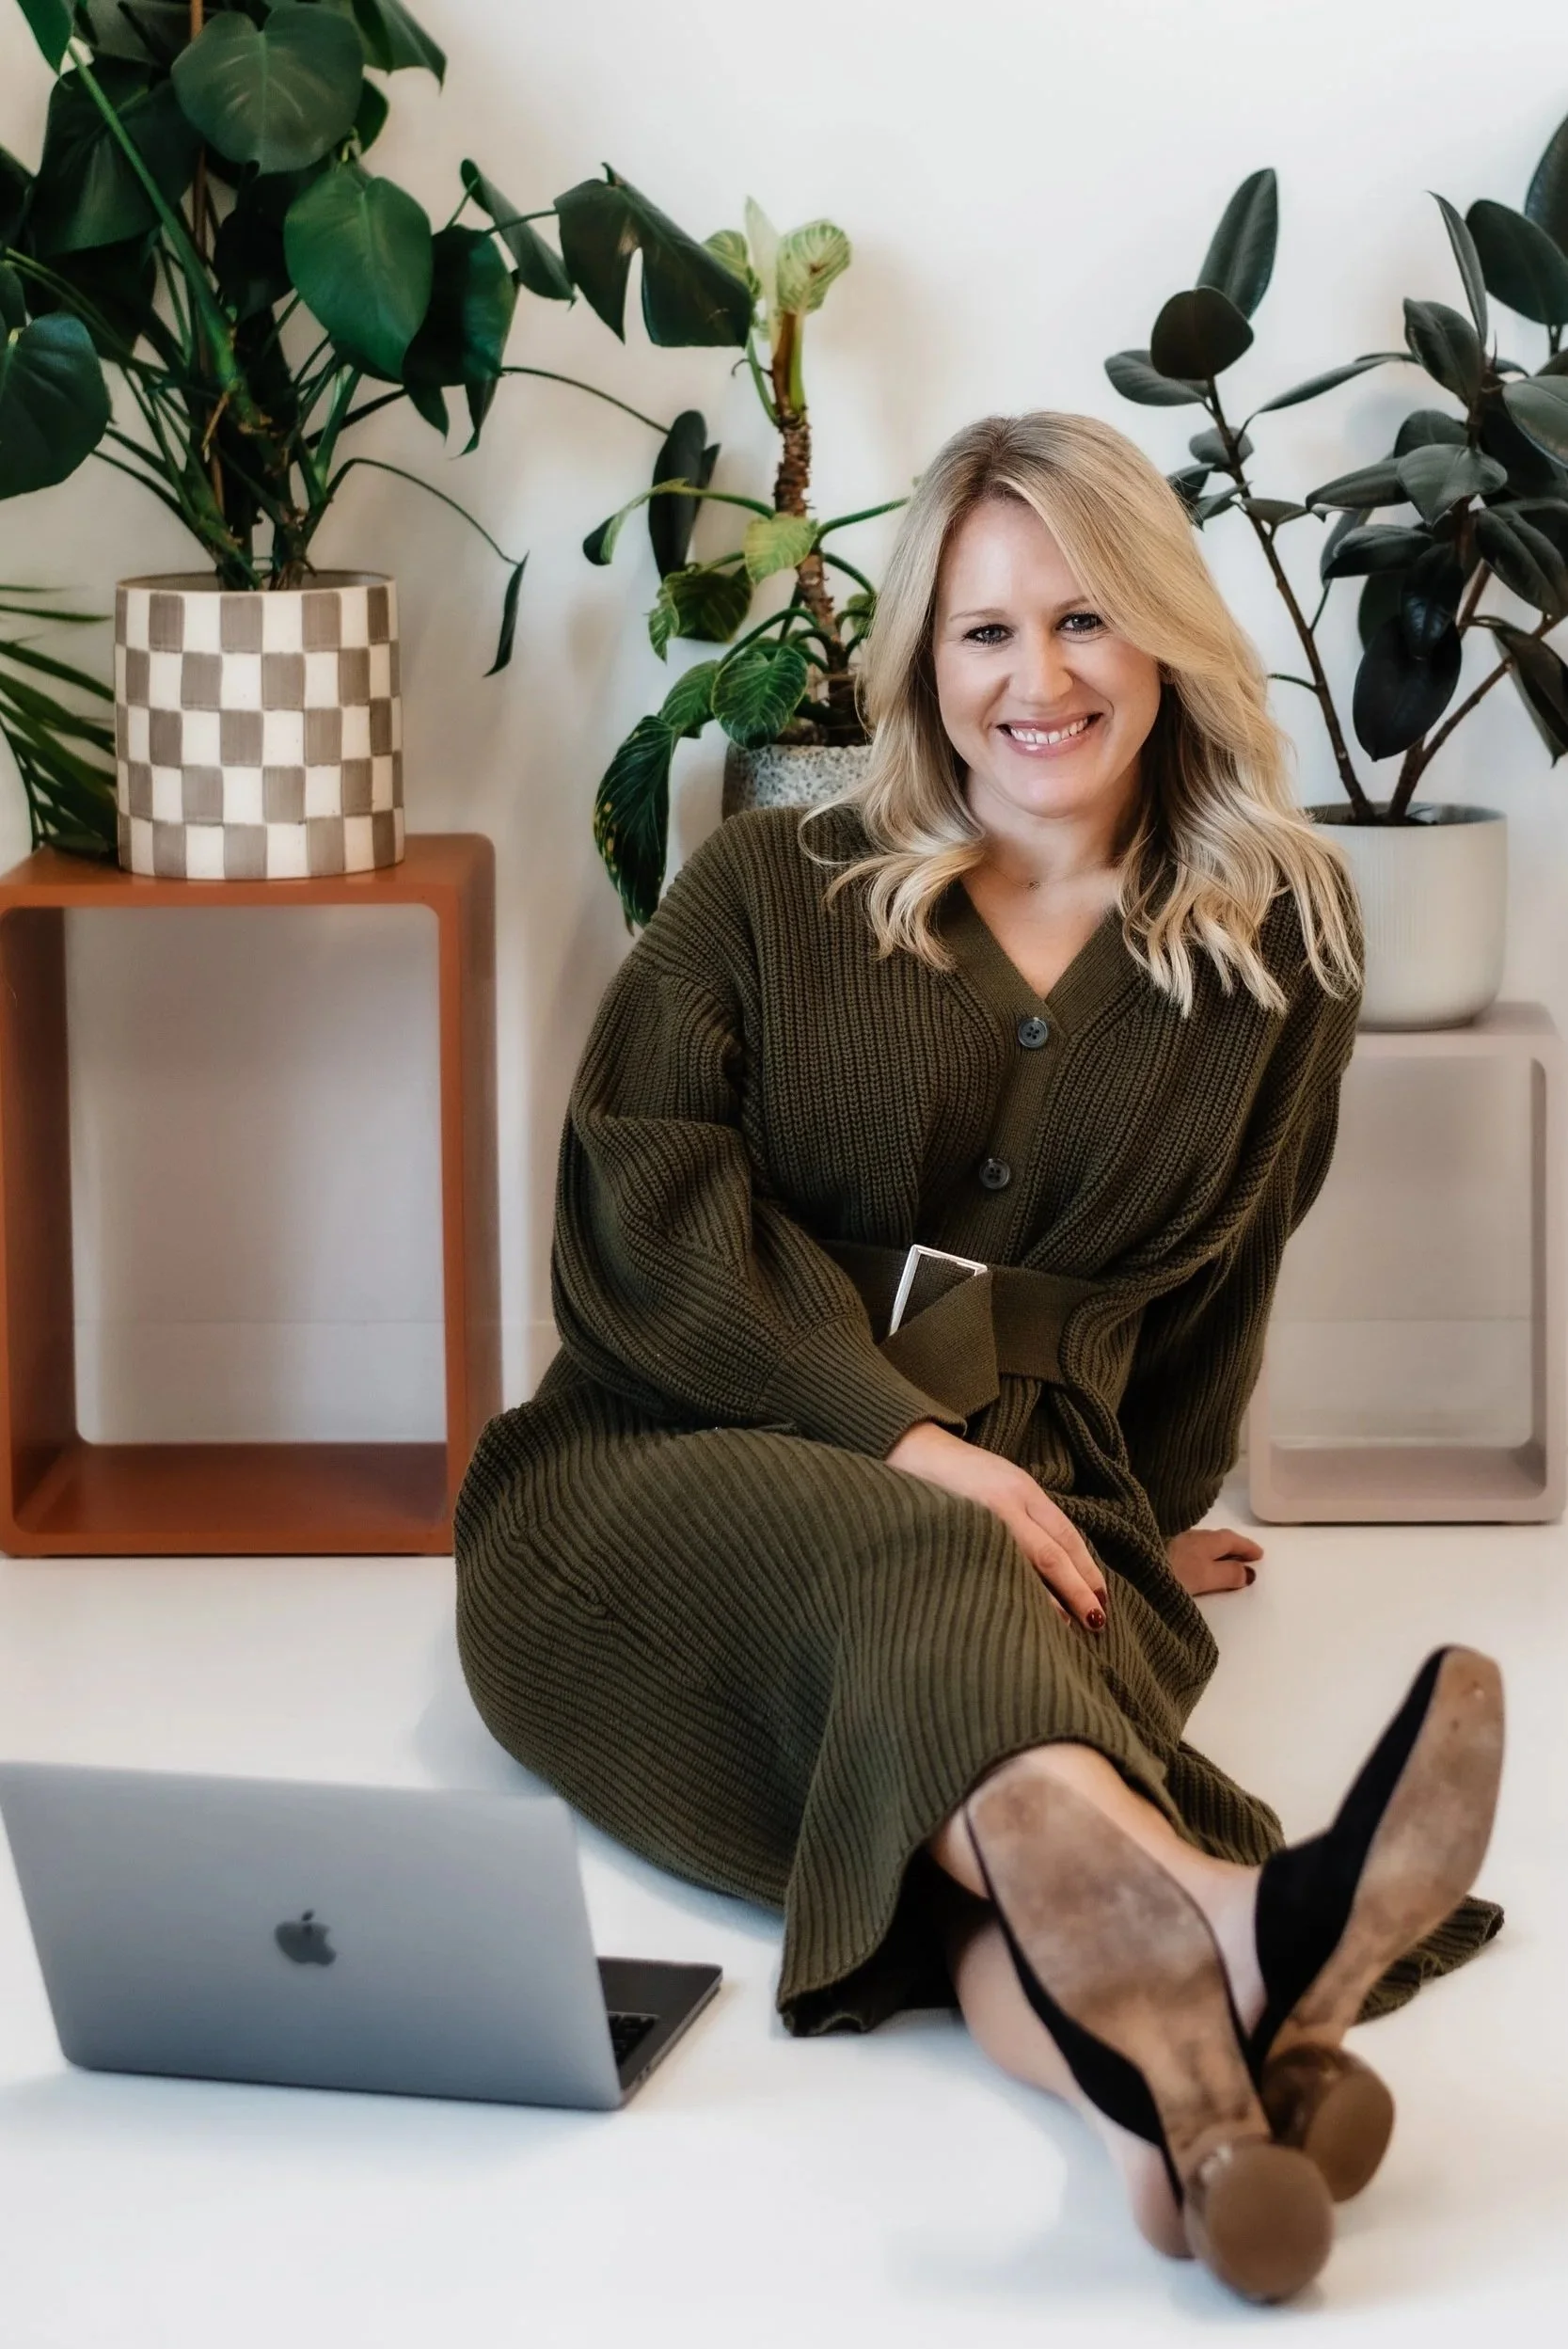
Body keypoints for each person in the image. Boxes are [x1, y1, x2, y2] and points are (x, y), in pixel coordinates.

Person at [454, 412, 1504, 2303]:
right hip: (648, 1473)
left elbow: (1216, 1286)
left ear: (1165, 641)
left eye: (1085, 621)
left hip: (1039, 1512)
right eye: (983, 632)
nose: (1038, 680)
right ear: (921, 666)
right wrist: (906, 1437)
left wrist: (1140, 1516)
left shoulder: (1280, 944)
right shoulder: (767, 885)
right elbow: (634, 1214)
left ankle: (1181, 2119)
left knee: (961, 1855)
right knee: (932, 1552)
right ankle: (1232, 1925)